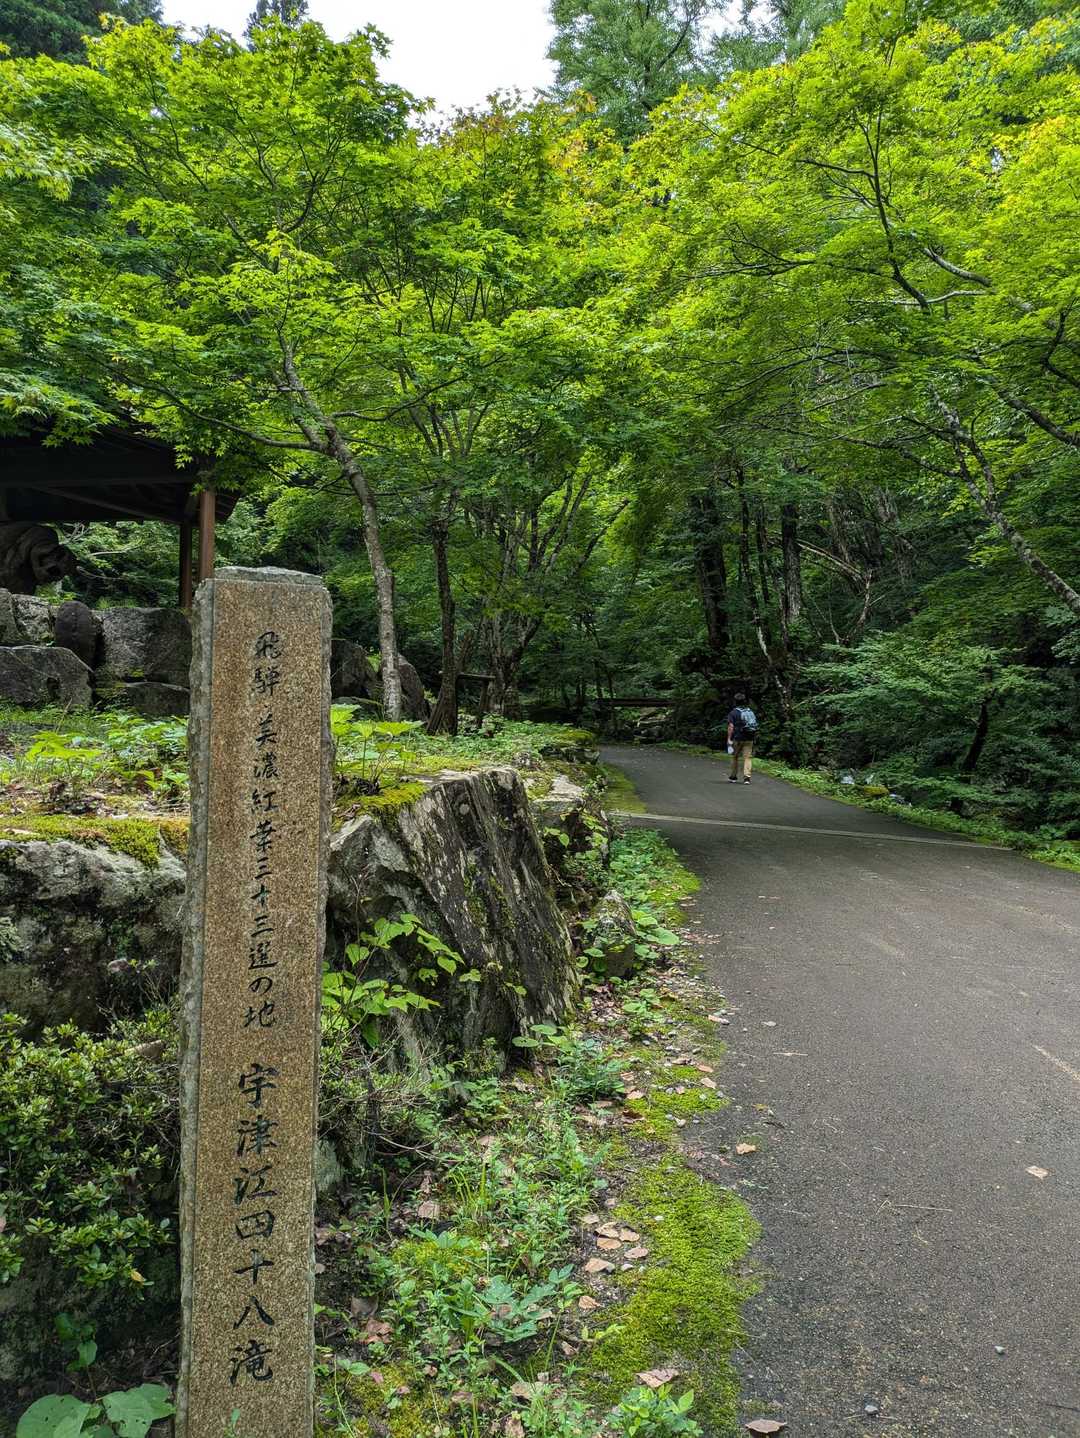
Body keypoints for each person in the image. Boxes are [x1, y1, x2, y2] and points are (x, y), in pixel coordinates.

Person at [726, 692, 758, 784]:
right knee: (747, 758)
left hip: (738, 738)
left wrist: (729, 739)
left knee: (735, 757)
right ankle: (747, 778)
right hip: (749, 738)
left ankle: (733, 777)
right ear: (744, 701)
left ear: (735, 702)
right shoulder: (750, 711)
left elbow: (731, 726)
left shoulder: (733, 713)